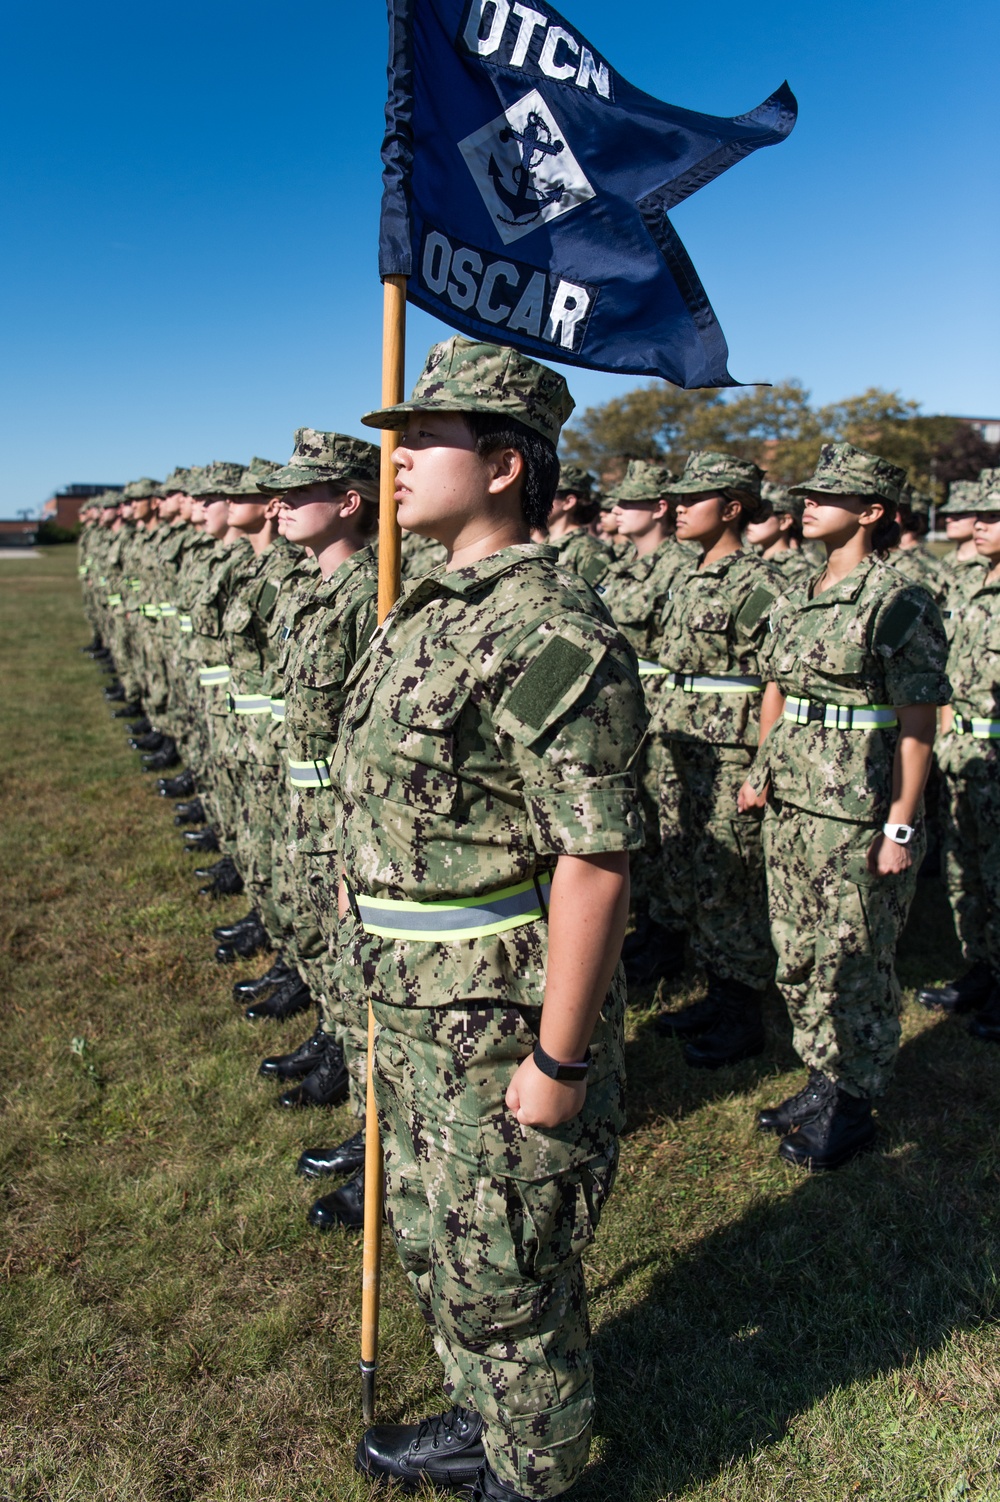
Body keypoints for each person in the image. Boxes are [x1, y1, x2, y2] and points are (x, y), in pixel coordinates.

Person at [335, 336, 647, 1502]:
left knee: (507, 1267)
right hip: (418, 1002)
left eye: (426, 439)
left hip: (494, 1014)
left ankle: (538, 1474)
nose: (398, 458)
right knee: (437, 1238)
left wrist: (557, 1055)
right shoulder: (429, 610)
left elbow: (594, 856)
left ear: (507, 465)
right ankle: (486, 1419)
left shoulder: (548, 630)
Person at [741, 443, 951, 1170]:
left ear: (871, 512)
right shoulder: (801, 588)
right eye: (808, 493)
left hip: (856, 817)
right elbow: (777, 688)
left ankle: (854, 1101)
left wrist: (899, 826)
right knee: (798, 954)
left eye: (828, 496)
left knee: (854, 961)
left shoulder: (899, 600)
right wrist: (760, 768)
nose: (808, 503)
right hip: (795, 805)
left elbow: (918, 725)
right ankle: (822, 1077)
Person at [254, 430, 382, 1230]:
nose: (281, 504)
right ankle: (347, 1076)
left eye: (302, 492)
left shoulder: (376, 592)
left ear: (350, 500)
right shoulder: (311, 587)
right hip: (306, 807)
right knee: (331, 963)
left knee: (364, 979)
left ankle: (382, 1149)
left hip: (348, 816)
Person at [651, 452, 783, 1064]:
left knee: (729, 885)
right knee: (693, 875)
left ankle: (742, 1015)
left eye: (692, 498)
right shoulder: (688, 571)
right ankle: (714, 990)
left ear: (731, 508)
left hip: (730, 755)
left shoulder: (759, 583)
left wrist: (762, 767)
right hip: (682, 751)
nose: (676, 508)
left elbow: (777, 680)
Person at [598, 459, 692, 988]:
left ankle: (668, 941)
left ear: (658, 509)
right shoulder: (622, 566)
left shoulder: (681, 568)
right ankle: (652, 928)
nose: (616, 510)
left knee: (668, 829)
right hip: (626, 723)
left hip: (665, 715)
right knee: (640, 827)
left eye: (629, 502)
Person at [918, 468, 1000, 1041]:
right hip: (961, 749)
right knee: (965, 871)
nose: (981, 526)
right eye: (985, 514)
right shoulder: (972, 583)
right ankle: (984, 969)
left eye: (995, 517)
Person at [544, 462, 611, 584]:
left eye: (544, 495)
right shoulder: (544, 545)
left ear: (568, 502)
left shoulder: (591, 551)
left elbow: (594, 601)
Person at [744, 480, 813, 584]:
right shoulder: (747, 557)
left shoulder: (798, 570)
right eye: (748, 514)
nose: (751, 521)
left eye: (761, 516)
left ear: (784, 522)